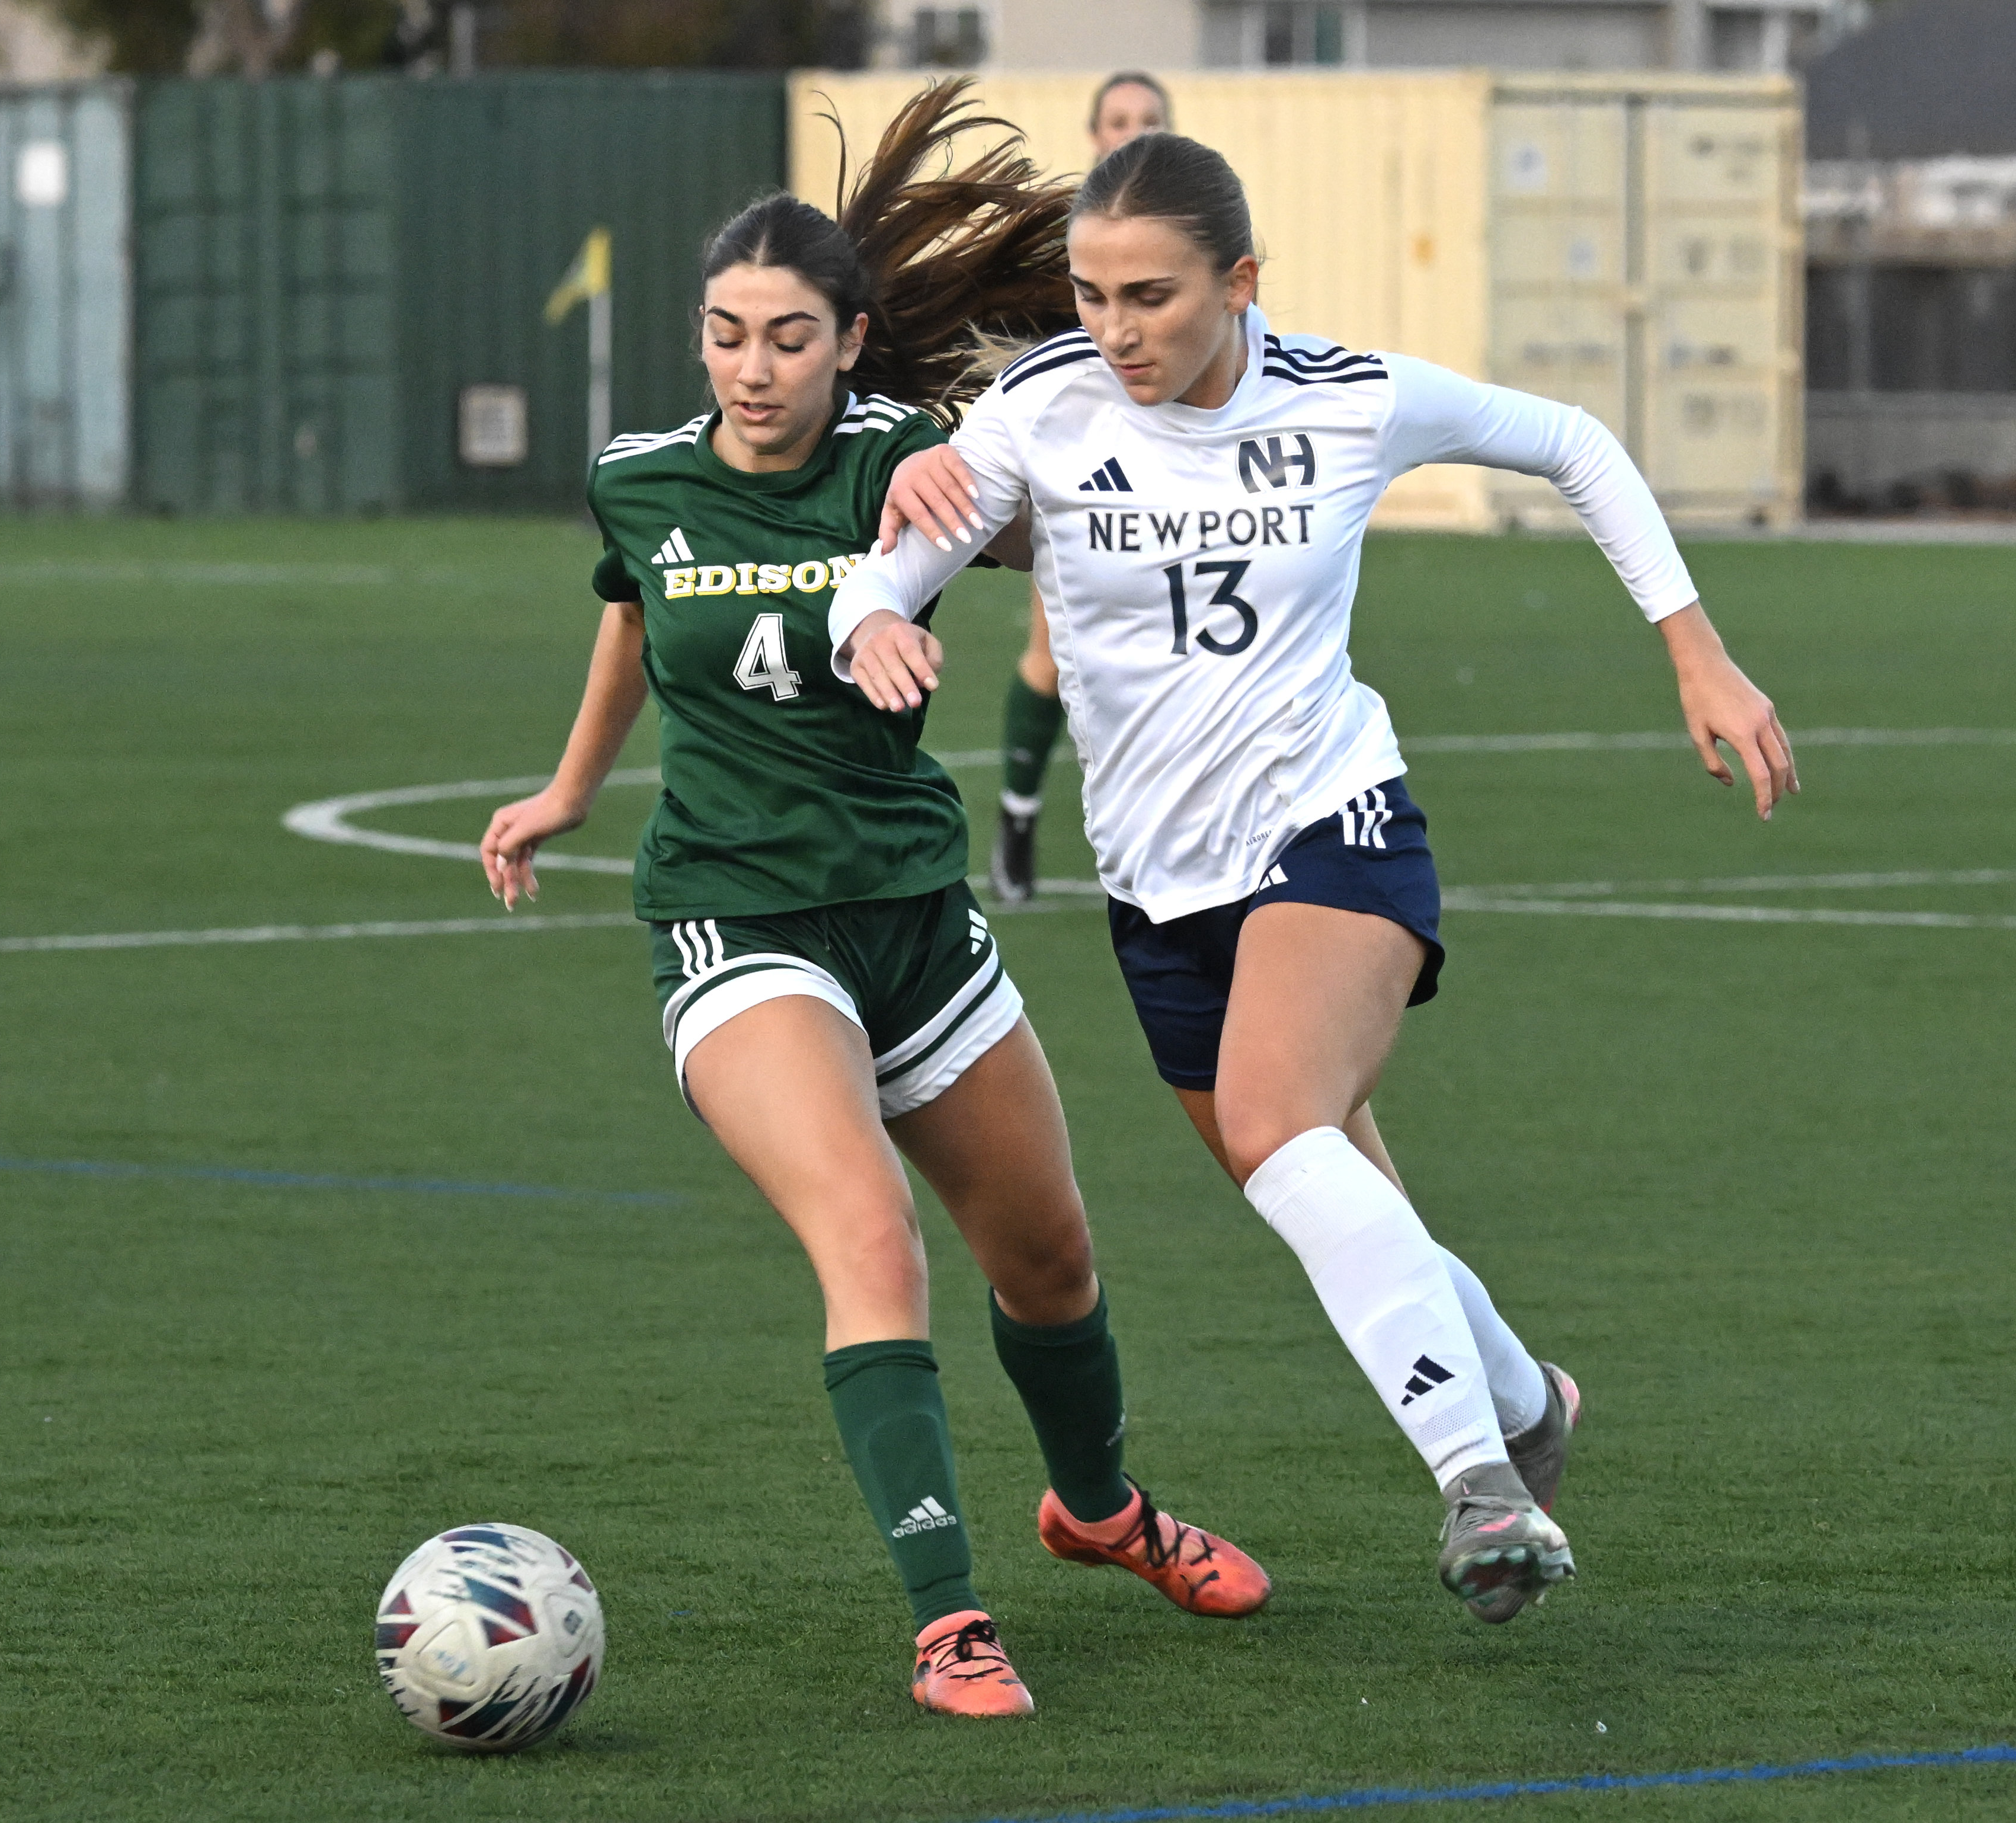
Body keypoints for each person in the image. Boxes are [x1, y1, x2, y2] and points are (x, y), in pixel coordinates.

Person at [832, 131, 1798, 1623]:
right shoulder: (1039, 410)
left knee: (1279, 1124)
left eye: (1149, 295)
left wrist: (1695, 648)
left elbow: (1571, 443)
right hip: (1155, 892)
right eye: (1089, 295)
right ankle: (1524, 1400)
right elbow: (892, 564)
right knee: (1324, 1189)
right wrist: (873, 619)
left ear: (1239, 281)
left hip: (1330, 824)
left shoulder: (1350, 398)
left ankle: (1481, 1486)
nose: (1113, 329)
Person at [476, 89, 1268, 1719]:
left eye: (786, 338)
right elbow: (633, 616)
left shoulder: (905, 463)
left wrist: (937, 582)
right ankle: (947, 1617)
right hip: (736, 917)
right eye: (724, 335)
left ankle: (1099, 1510)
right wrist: (570, 787)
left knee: (1049, 1256)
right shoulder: (640, 480)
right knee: (868, 1234)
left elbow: (1048, 523)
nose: (750, 368)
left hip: (912, 910)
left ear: (849, 344)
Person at [991, 71, 1174, 904]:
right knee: (1057, 656)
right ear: (1095, 136)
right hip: (1081, 478)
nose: (1134, 131)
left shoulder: (1203, 236)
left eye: (1150, 119)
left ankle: (1179, 835)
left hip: (1180, 477)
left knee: (1182, 650)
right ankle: (1018, 817)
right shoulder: (1068, 241)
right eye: (1119, 119)